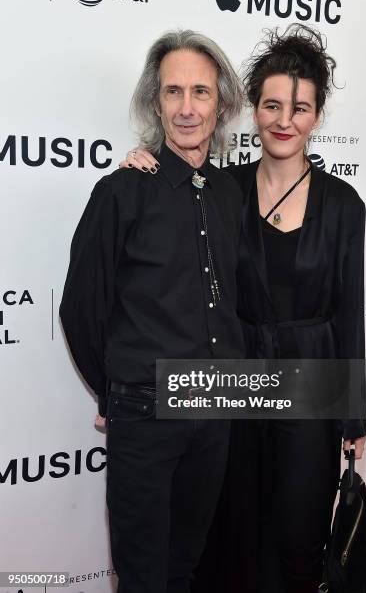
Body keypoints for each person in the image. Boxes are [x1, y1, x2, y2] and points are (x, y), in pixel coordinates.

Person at [120, 24, 366, 593]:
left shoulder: (344, 204)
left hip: (311, 383)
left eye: (300, 108)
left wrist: (352, 414)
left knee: (300, 535)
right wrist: (144, 162)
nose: (285, 120)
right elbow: (170, 219)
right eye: (272, 105)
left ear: (318, 115)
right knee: (229, 534)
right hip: (231, 379)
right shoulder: (221, 187)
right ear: (252, 109)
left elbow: (349, 311)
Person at [60, 30, 247, 593]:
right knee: (143, 578)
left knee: (184, 568)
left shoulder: (231, 193)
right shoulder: (121, 191)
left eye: (200, 92)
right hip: (146, 414)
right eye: (172, 92)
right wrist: (119, 391)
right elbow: (81, 306)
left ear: (222, 104)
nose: (187, 108)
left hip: (215, 409)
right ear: (154, 101)